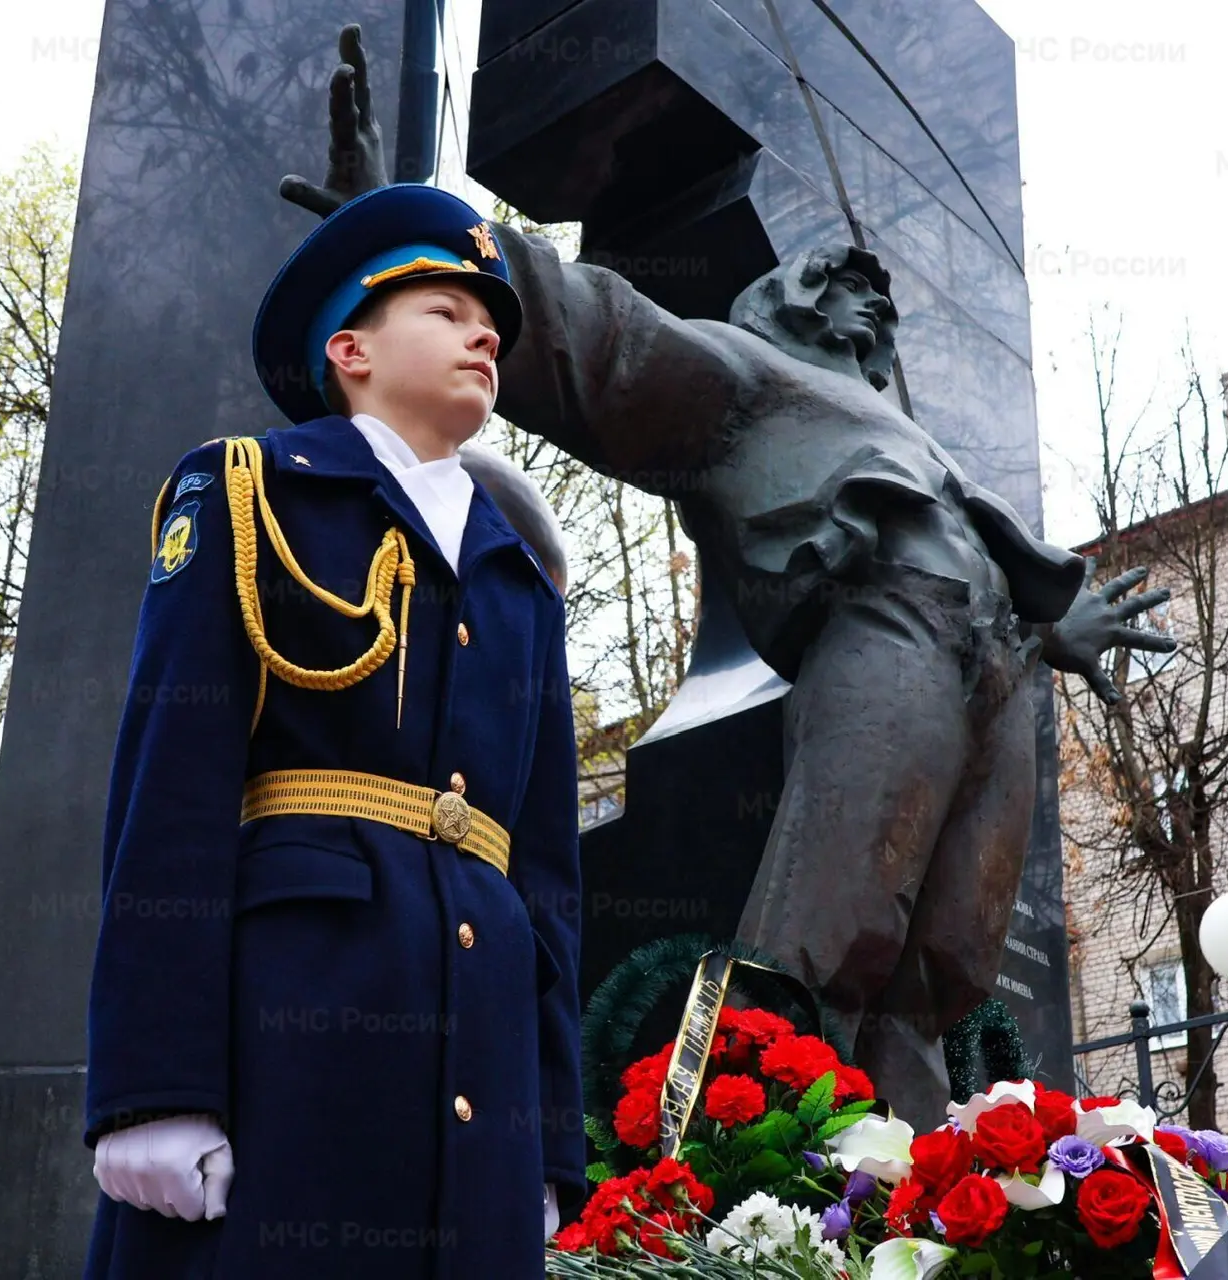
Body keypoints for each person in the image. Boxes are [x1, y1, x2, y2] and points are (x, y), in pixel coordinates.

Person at [281, 24, 1171, 1121]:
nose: (866, 292)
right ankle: (734, 1176)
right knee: (825, 931)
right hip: (889, 628)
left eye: (874, 292)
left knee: (946, 968)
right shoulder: (752, 378)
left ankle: (907, 1177)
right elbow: (602, 336)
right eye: (833, 278)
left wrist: (1051, 628)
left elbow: (985, 549)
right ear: (779, 308)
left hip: (1000, 670)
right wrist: (402, 238)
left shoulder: (913, 438)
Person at [80, 182, 584, 1279]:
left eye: (490, 323)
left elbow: (545, 877)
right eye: (446, 311)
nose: (484, 336)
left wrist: (549, 1142)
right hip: (295, 1020)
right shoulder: (250, 493)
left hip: (485, 1060)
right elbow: (170, 789)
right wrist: (154, 1085)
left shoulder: (520, 577)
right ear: (349, 349)